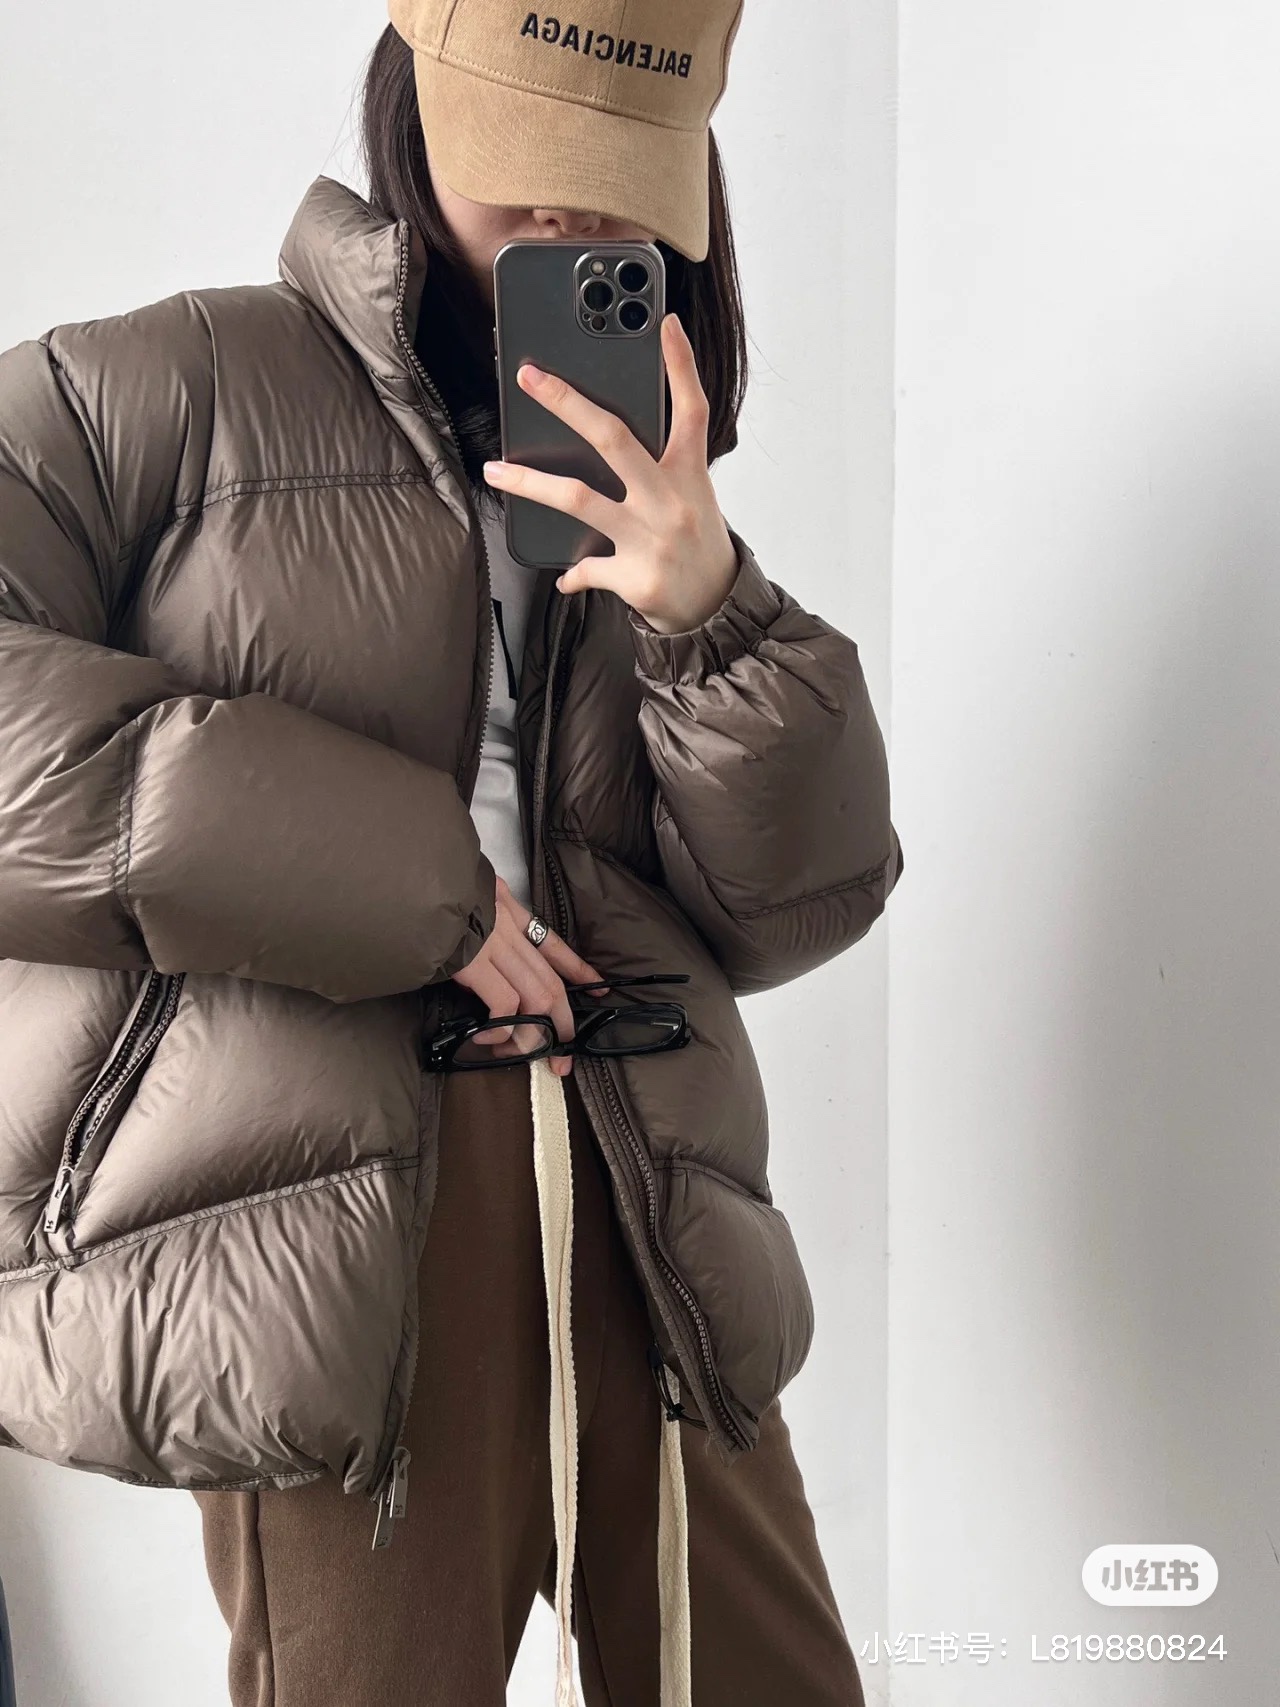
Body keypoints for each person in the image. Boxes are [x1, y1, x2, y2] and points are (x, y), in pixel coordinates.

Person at [0, 1, 903, 1702]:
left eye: (614, 184)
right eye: (530, 166)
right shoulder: (157, 396)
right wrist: (402, 883)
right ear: (414, 103)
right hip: (337, 1226)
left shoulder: (653, 494)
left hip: (650, 1190)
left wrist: (713, 614)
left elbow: (795, 906)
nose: (566, 221)